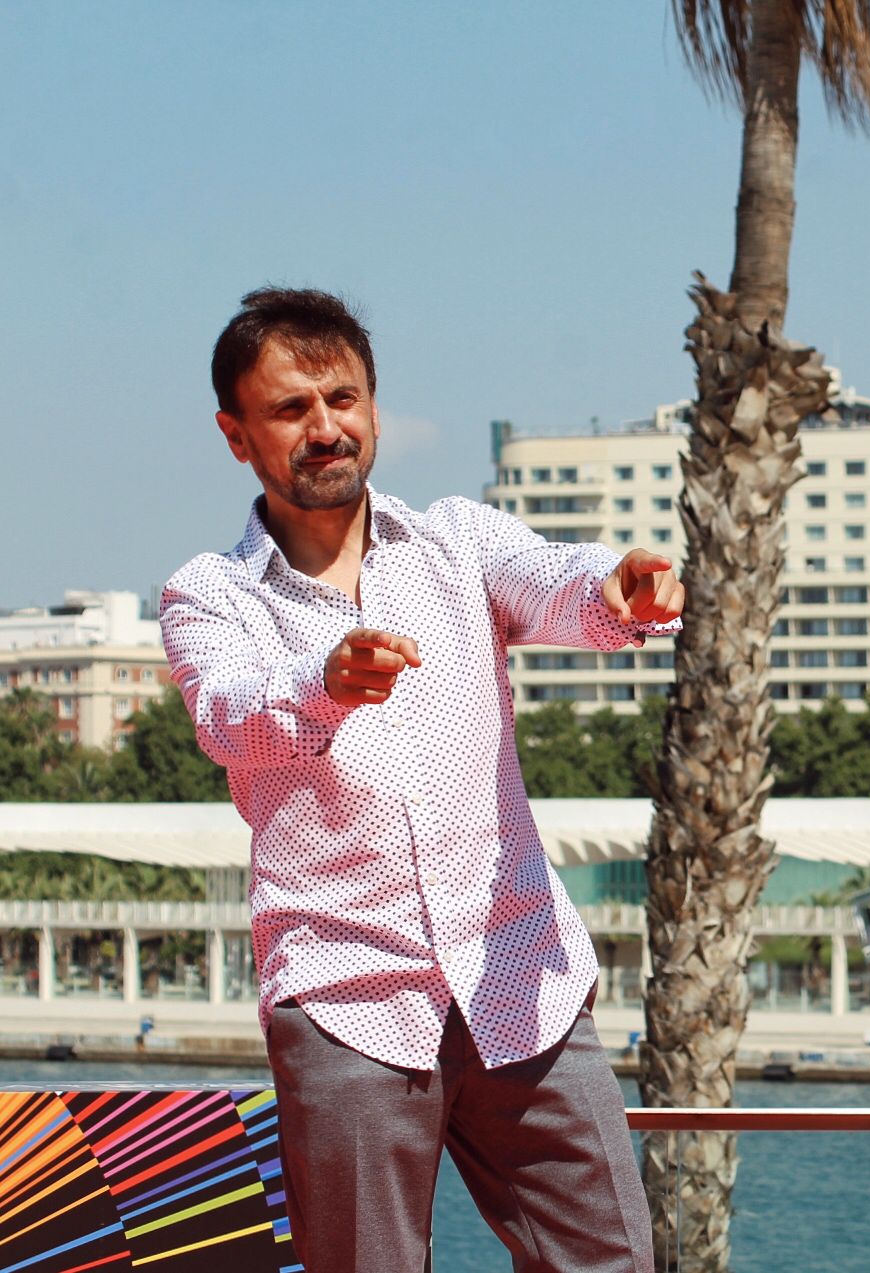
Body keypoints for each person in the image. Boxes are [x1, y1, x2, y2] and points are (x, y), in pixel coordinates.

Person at [161, 287, 680, 1273]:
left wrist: (617, 594)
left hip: (520, 980)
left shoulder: (457, 541)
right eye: (291, 409)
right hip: (346, 998)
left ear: (372, 405)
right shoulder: (206, 595)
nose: (327, 429)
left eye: (344, 398)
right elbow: (230, 719)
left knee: (613, 1262)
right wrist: (326, 682)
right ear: (236, 434)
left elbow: (556, 578)